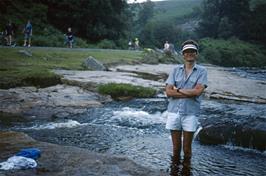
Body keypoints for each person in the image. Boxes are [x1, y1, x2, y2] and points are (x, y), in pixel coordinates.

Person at [165, 39, 208, 163]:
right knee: (175, 148)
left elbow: (197, 92)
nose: (190, 53)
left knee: (187, 149)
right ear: (183, 54)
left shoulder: (202, 71)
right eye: (187, 51)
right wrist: (189, 93)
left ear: (196, 54)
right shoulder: (175, 70)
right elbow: (168, 92)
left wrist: (177, 90)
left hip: (190, 114)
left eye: (192, 51)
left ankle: (186, 172)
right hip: (174, 112)